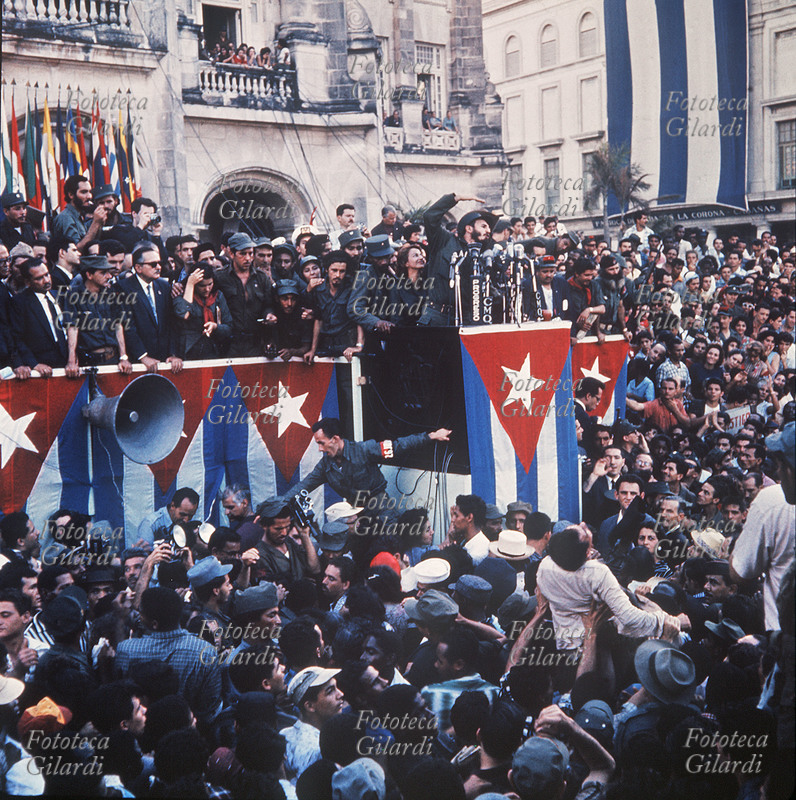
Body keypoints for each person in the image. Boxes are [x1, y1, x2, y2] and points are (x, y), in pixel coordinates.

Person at [288, 417, 451, 510]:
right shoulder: (326, 466)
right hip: (356, 514)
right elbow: (304, 485)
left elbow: (398, 446)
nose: (320, 449)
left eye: (321, 443)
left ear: (335, 439)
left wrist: (430, 436)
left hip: (380, 510)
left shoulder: (365, 450)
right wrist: (275, 507)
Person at [116, 242, 183, 374]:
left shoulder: (164, 286)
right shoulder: (123, 288)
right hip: (137, 364)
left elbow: (171, 324)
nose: (158, 267)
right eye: (153, 264)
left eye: (159, 263)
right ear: (138, 268)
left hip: (164, 361)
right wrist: (143, 356)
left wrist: (173, 354)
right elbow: (128, 326)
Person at [9, 258, 68, 379]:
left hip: (67, 363)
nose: (46, 280)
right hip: (41, 368)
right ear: (28, 282)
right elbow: (17, 338)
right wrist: (34, 363)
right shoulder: (19, 302)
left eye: (47, 275)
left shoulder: (60, 296)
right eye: (39, 278)